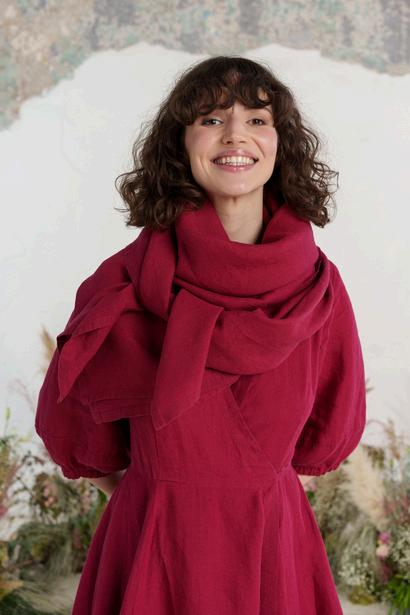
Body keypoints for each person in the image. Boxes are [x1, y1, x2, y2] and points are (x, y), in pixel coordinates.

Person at [35, 55, 367, 614]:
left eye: (257, 119)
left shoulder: (319, 290)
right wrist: (158, 492)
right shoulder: (122, 282)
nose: (235, 134)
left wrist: (256, 493)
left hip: (272, 550)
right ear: (181, 142)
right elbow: (75, 428)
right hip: (152, 544)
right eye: (211, 119)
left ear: (280, 143)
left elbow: (324, 439)